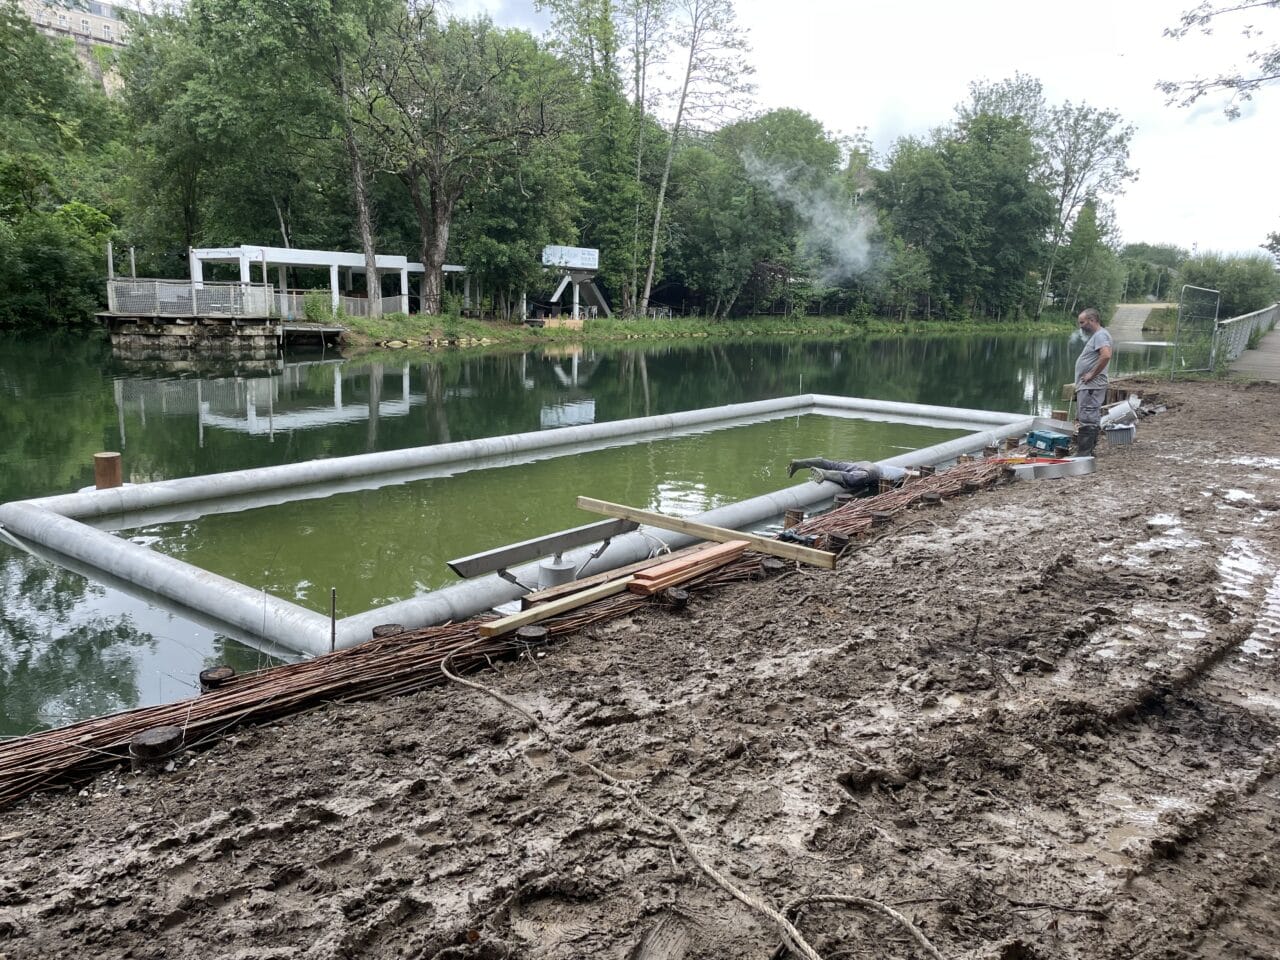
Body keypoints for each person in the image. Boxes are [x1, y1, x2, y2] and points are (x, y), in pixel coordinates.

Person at [1074, 307, 1113, 456]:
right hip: (1091, 386)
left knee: (1088, 418)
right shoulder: (1100, 335)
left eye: (1082, 322)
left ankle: (1084, 455)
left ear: (1092, 320)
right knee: (1090, 417)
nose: (1081, 326)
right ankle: (1088, 452)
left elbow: (1106, 355)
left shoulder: (1100, 335)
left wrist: (1091, 374)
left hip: (1091, 386)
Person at [786, 457, 908, 493]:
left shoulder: (897, 470)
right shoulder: (905, 473)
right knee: (854, 479)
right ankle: (825, 474)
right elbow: (910, 474)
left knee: (834, 464)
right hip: (873, 471)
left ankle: (800, 463)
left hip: (864, 463)